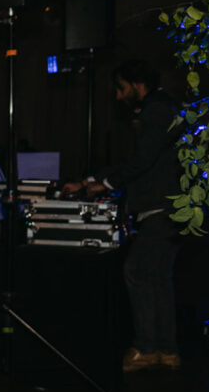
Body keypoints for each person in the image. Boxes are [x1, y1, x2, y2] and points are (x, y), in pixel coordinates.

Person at [62, 59, 182, 371]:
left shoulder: (156, 110)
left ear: (136, 84)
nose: (118, 96)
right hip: (165, 208)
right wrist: (95, 182)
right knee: (156, 278)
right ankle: (164, 350)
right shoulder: (161, 107)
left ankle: (147, 348)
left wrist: (104, 184)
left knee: (137, 272)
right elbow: (138, 161)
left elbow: (142, 159)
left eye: (121, 88)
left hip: (161, 208)